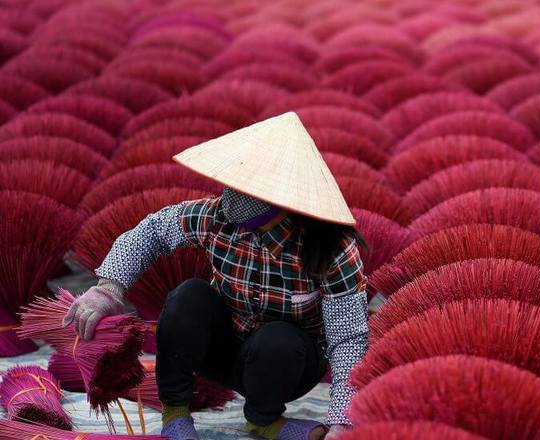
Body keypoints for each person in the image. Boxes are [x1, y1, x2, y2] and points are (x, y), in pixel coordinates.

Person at [62, 112, 369, 440]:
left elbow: (348, 339)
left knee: (278, 339)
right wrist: (109, 288)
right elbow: (151, 232)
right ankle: (176, 412)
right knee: (188, 297)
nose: (233, 195)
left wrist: (344, 420)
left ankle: (264, 420)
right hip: (223, 351)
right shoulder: (216, 217)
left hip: (284, 365)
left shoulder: (329, 250)